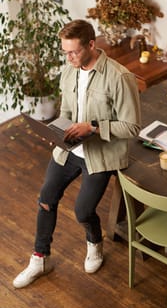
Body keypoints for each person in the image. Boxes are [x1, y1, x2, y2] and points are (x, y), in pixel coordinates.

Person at [13, 19, 141, 288]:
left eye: (73, 51)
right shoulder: (69, 71)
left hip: (101, 155)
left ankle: (94, 243)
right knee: (46, 199)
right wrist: (58, 132)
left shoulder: (119, 77)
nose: (68, 57)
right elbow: (67, 113)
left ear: (91, 45)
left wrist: (93, 128)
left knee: (83, 212)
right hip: (69, 148)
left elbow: (132, 127)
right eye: (65, 52)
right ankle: (40, 258)